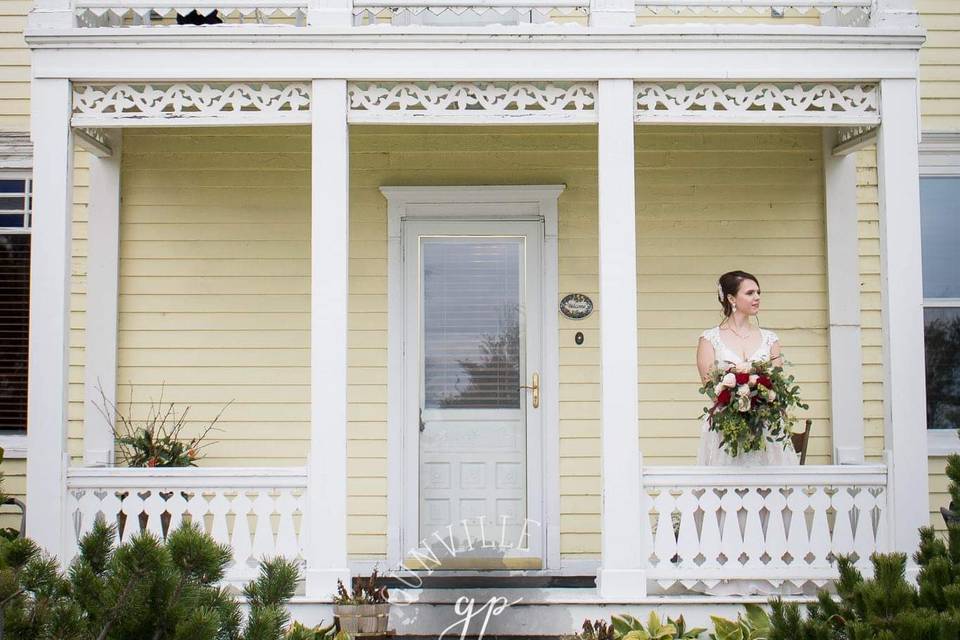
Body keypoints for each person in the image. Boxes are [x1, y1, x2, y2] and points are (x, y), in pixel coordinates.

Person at [696, 270, 799, 467]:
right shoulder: (709, 340)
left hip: (766, 426)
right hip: (727, 427)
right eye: (750, 293)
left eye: (759, 292)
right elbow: (711, 389)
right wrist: (738, 397)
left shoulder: (770, 339)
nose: (757, 297)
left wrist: (760, 401)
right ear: (731, 298)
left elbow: (776, 386)